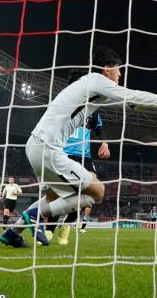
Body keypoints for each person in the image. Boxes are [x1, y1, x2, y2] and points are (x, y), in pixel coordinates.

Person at [0, 46, 157, 247]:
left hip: (37, 146)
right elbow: (133, 95)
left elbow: (130, 101)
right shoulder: (97, 80)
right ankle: (34, 216)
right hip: (47, 149)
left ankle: (12, 233)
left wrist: (135, 104)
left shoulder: (89, 86)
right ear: (108, 68)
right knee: (97, 192)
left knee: (58, 196)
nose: (120, 74)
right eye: (119, 69)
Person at [48, 69, 111, 245]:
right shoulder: (63, 104)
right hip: (63, 153)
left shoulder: (93, 108)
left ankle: (66, 226)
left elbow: (99, 128)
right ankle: (49, 228)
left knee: (89, 194)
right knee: (57, 193)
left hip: (85, 156)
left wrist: (104, 143)